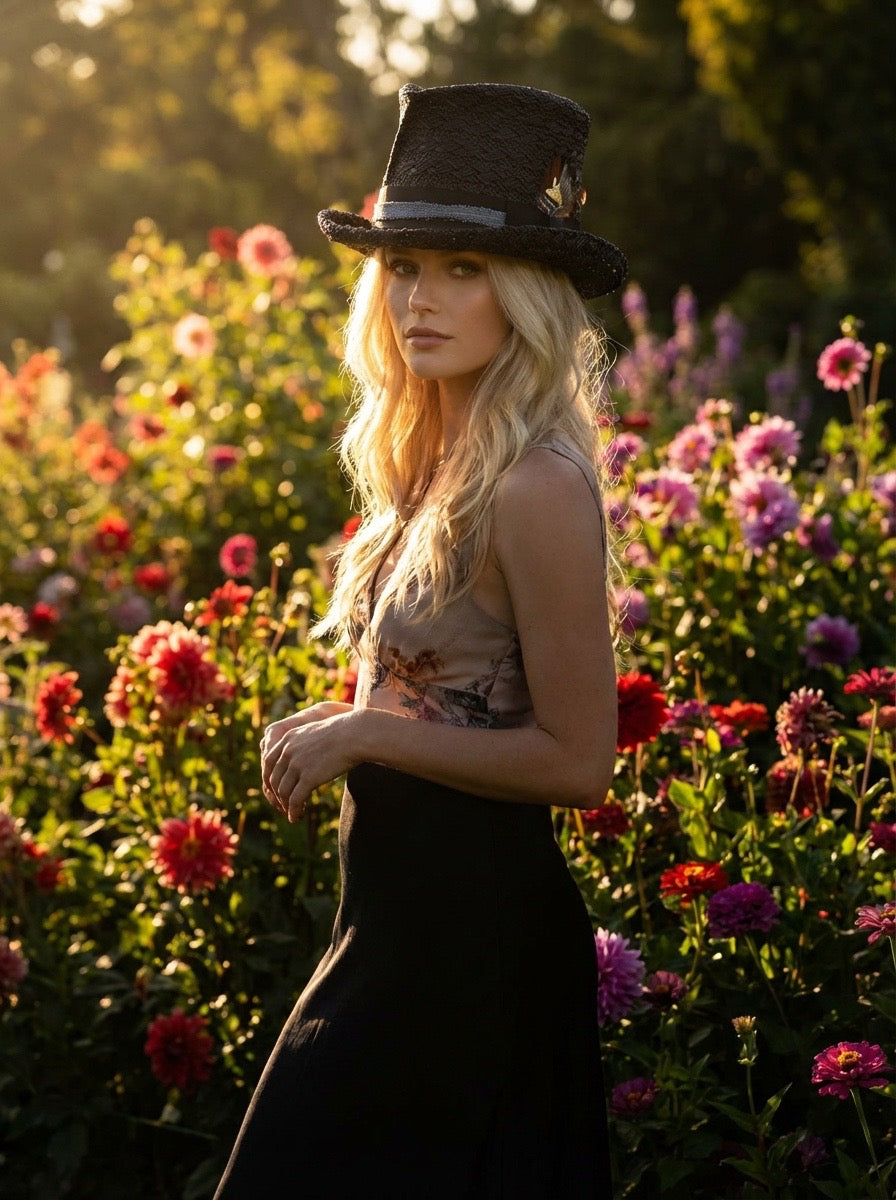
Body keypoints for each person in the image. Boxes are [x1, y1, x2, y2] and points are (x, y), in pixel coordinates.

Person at [213, 82, 626, 1199]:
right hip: (393, 931)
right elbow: (437, 687)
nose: (419, 300)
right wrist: (348, 722)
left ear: (524, 293)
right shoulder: (426, 467)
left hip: (472, 951)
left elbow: (578, 763)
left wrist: (363, 734)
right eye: (401, 266)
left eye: (460, 268)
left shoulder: (535, 485)